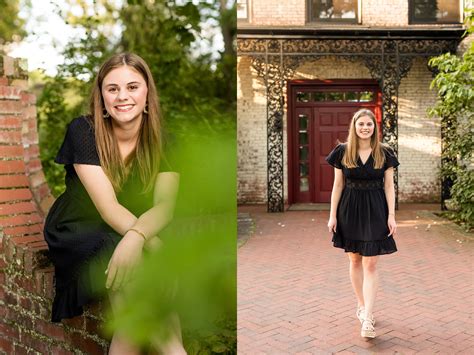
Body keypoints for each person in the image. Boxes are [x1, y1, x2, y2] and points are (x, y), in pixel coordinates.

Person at [44, 52, 185, 354]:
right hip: (82, 229)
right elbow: (107, 208)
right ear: (102, 95)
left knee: (136, 318)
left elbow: (165, 207)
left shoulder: (165, 141)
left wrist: (137, 238)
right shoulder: (83, 131)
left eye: (132, 87)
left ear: (147, 93)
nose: (122, 96)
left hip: (130, 226)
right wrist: (151, 244)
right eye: (113, 88)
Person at [326, 108, 399, 339]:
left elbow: (389, 186)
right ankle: (361, 304)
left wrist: (391, 215)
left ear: (374, 127)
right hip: (350, 209)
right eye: (361, 124)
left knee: (371, 264)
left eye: (369, 124)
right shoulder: (342, 151)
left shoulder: (384, 152)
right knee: (355, 259)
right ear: (354, 127)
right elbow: (338, 185)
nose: (365, 128)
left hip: (376, 209)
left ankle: (368, 317)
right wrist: (332, 215)